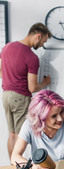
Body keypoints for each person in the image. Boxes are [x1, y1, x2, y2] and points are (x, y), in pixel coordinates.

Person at [0, 22, 52, 159]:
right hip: (20, 98)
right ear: (38, 36)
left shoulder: (7, 47)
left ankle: (13, 168)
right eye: (43, 41)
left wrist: (11, 78)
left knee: (12, 134)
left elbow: (0, 71)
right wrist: (45, 83)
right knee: (19, 135)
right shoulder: (31, 57)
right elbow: (33, 87)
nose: (41, 45)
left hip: (6, 95)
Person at [11, 90, 64, 169]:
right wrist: (34, 168)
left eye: (61, 112)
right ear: (41, 118)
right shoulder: (29, 125)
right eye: (54, 116)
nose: (60, 119)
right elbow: (15, 157)